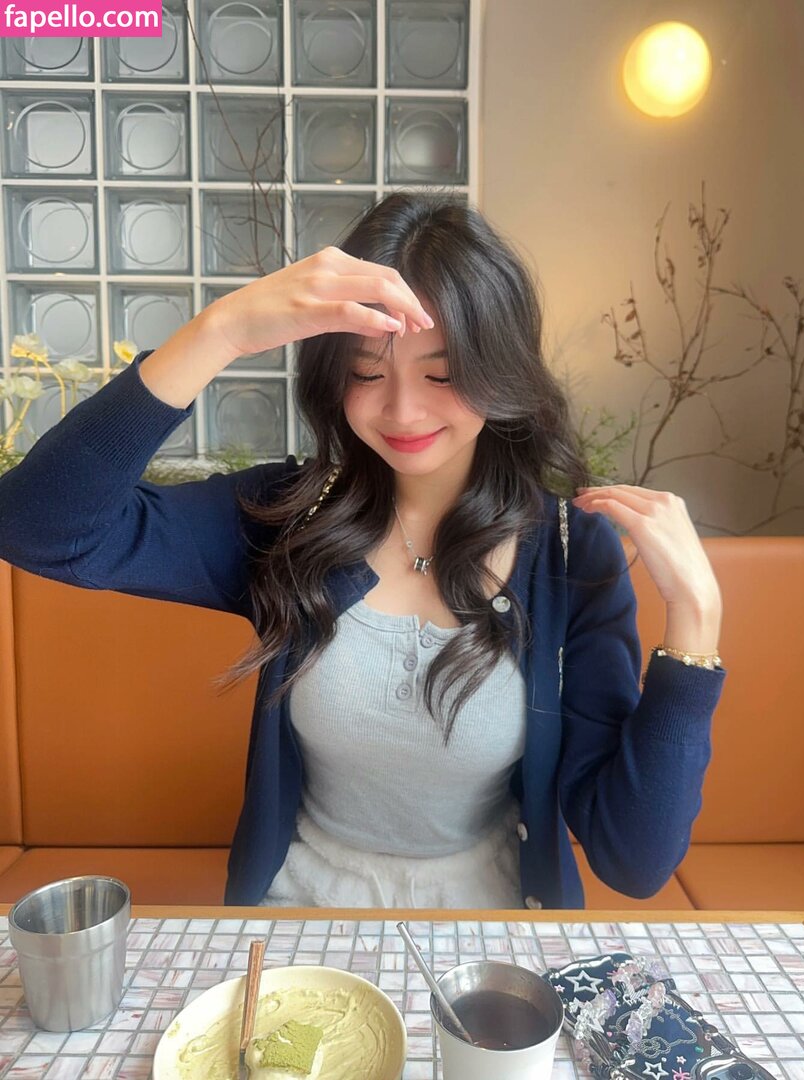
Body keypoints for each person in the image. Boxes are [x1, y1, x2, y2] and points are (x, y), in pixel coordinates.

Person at [0, 192, 724, 910]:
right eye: (367, 374)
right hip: (300, 921)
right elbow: (38, 527)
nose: (402, 410)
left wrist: (694, 623)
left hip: (493, 929)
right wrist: (219, 331)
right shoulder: (290, 517)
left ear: (501, 371)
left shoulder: (569, 553)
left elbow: (634, 860)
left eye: (443, 373)